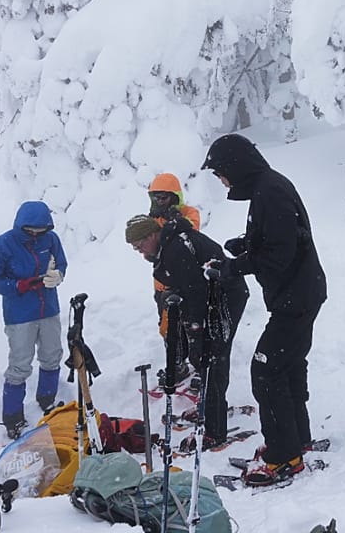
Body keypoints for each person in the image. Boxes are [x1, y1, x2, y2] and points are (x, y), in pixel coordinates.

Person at [202, 133, 326, 488]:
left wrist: (232, 266)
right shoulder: (268, 189)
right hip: (298, 294)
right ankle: (294, 440)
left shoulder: (269, 192)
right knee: (285, 367)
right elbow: (285, 238)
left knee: (265, 370)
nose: (222, 181)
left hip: (296, 298)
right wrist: (246, 244)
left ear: (236, 167)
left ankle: (283, 456)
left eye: (221, 173)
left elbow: (280, 254)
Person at [124, 213, 250, 449]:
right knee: (203, 356)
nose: (141, 253)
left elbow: (196, 291)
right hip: (215, 297)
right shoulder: (169, 245)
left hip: (225, 299)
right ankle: (209, 408)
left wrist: (195, 326)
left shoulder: (176, 249)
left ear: (152, 235)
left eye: (141, 246)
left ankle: (214, 430)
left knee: (211, 356)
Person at [0, 201, 68, 438]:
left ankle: (47, 399)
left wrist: (58, 275)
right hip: (20, 313)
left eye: (39, 230)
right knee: (20, 363)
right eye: (30, 230)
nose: (35, 234)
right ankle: (12, 417)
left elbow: (61, 263)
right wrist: (19, 286)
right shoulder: (3, 244)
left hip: (49, 308)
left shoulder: (51, 239)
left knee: (52, 355)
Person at [145, 172, 203, 387]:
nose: (159, 202)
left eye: (164, 197)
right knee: (168, 328)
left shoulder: (190, 213)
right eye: (156, 198)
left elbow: (192, 231)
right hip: (163, 285)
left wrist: (175, 221)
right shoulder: (153, 220)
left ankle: (201, 368)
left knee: (194, 327)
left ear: (174, 196)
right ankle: (177, 364)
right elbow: (148, 251)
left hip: (188, 283)